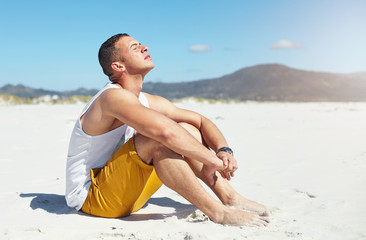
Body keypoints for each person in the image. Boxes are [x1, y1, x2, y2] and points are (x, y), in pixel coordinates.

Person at [65, 33, 270, 226]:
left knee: (187, 130)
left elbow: (199, 120)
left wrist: (223, 151)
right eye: (135, 47)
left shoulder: (145, 100)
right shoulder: (112, 97)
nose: (145, 47)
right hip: (94, 199)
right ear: (118, 66)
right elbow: (165, 133)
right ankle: (218, 212)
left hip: (130, 195)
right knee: (155, 139)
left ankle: (230, 198)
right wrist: (213, 162)